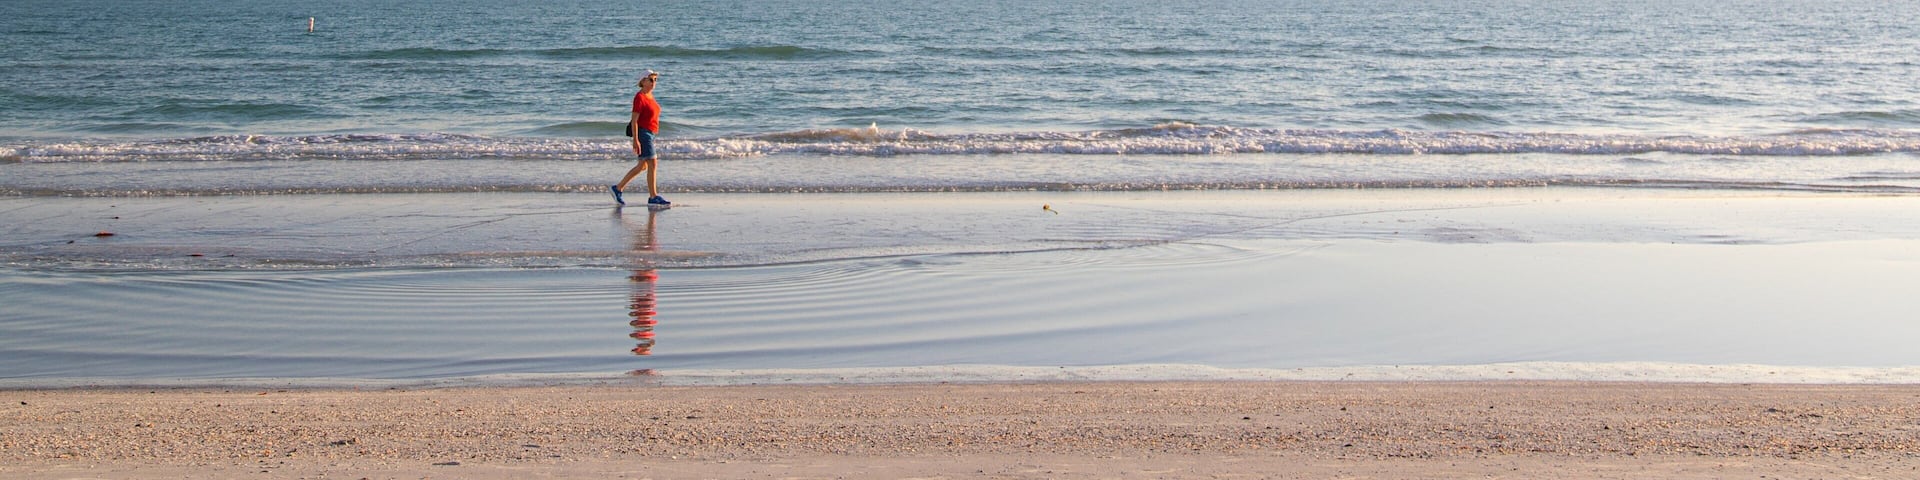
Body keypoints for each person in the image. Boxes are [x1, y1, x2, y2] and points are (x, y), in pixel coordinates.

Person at [611, 70, 669, 206]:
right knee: (653, 163)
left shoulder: (650, 96)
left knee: (642, 166)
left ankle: (618, 188)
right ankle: (653, 197)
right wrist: (635, 140)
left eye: (655, 79)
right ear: (643, 81)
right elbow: (634, 120)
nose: (654, 82)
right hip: (643, 133)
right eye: (651, 79)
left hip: (651, 133)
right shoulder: (640, 97)